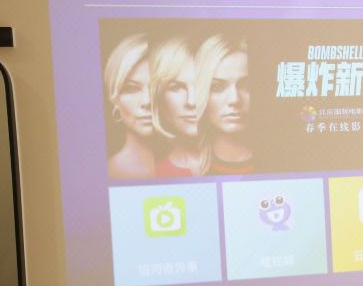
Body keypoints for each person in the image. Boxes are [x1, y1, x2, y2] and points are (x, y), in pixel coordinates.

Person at [195, 35, 254, 174]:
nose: (234, 100)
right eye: (217, 87)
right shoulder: (190, 168)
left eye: (246, 86)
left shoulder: (280, 157)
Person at [103, 34, 157, 179]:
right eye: (131, 89)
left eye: (156, 88)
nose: (147, 101)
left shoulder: (197, 167)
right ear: (114, 99)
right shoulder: (108, 173)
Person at [150, 37, 201, 177]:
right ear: (158, 98)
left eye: (200, 85)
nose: (192, 102)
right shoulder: (152, 174)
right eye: (177, 87)